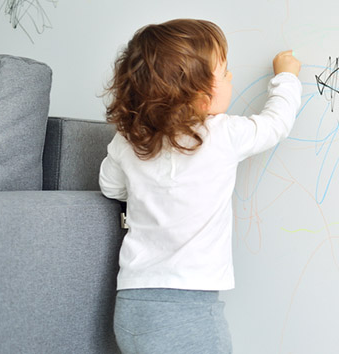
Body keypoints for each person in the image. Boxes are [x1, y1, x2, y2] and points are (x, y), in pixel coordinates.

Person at [98, 18, 301, 353]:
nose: (231, 76)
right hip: (188, 310)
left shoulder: (130, 141)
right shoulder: (221, 135)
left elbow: (110, 186)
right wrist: (286, 76)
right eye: (224, 72)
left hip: (131, 304)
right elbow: (275, 124)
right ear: (202, 95)